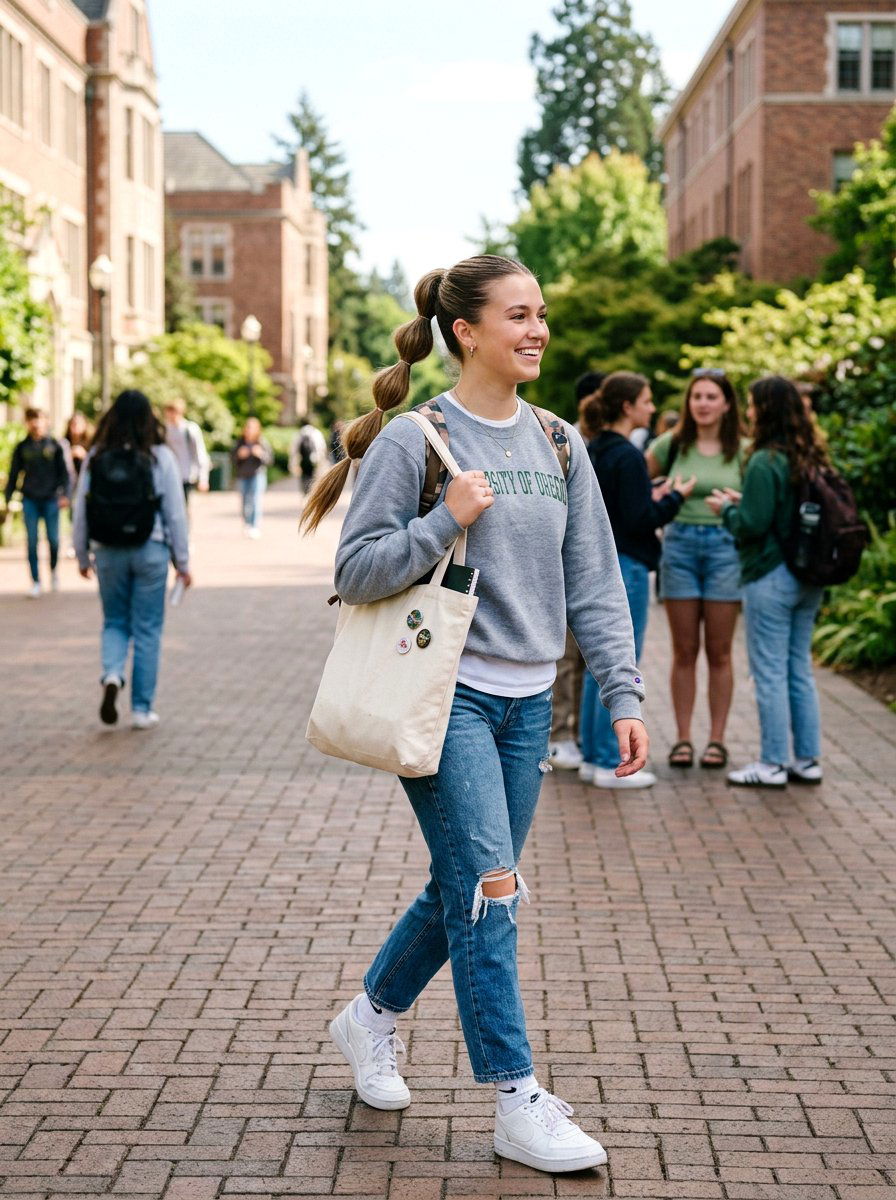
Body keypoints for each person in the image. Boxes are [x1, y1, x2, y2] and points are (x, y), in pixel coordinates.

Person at [302, 254, 648, 1174]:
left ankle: (369, 1016)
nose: (537, 330)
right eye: (519, 316)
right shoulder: (416, 441)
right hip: (446, 695)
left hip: (530, 707)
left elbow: (596, 583)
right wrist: (444, 521)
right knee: (492, 890)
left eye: (542, 314)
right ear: (467, 331)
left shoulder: (559, 441)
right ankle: (514, 1096)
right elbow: (356, 570)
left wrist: (623, 690)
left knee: (464, 881)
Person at [706, 376, 829, 788]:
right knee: (799, 668)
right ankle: (807, 759)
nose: (750, 411)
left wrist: (726, 510)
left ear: (767, 409)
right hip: (807, 575)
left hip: (770, 576)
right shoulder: (809, 455)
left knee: (769, 671)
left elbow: (752, 525)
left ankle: (773, 762)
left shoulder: (764, 460)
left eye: (754, 404)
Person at [580, 372, 696, 788]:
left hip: (600, 560)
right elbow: (639, 518)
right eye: (646, 400)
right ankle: (614, 761)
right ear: (627, 406)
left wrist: (652, 495)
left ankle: (593, 755)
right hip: (627, 566)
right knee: (619, 663)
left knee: (597, 665)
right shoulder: (628, 454)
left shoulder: (594, 448)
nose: (652, 407)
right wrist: (676, 498)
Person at [72, 390, 190, 730]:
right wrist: (182, 563)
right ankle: (141, 709)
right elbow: (175, 514)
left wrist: (82, 553)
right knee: (147, 629)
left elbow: (81, 510)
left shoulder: (96, 455)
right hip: (150, 549)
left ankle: (111, 674)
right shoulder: (159, 456)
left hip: (107, 550)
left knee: (114, 622)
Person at [646, 370, 745, 770]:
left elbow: (760, 501)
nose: (702, 403)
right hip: (681, 546)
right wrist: (655, 496)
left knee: (720, 652)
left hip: (726, 548)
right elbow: (637, 478)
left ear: (725, 404)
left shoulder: (744, 449)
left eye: (711, 396)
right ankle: (684, 738)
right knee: (684, 650)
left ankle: (717, 740)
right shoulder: (672, 444)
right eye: (697, 397)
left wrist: (743, 499)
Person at [547, 369, 606, 770]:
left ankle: (580, 734)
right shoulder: (565, 439)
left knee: (584, 661)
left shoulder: (588, 443)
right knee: (567, 659)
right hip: (565, 565)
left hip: (587, 560)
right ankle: (559, 734)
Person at [2, 407, 71, 597]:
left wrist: (65, 494)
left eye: (39, 419)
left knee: (54, 540)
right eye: (32, 419)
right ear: (27, 422)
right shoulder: (22, 447)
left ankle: (54, 571)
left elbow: (64, 473)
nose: (36, 423)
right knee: (31, 542)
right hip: (30, 499)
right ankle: (36, 581)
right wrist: (8, 500)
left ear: (46, 421)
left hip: (51, 499)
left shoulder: (55, 445)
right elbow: (14, 473)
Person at [163, 399, 210, 508]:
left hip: (186, 475)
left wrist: (203, 478)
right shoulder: (165, 429)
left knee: (182, 507)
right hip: (170, 474)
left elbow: (200, 453)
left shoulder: (190, 429)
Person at [232, 417, 273, 538]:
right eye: (247, 427)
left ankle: (255, 526)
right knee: (244, 501)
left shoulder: (261, 442)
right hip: (242, 476)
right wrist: (239, 455)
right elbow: (232, 458)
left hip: (257, 475)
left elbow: (270, 460)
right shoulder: (240, 442)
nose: (249, 430)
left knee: (255, 500)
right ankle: (247, 524)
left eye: (252, 428)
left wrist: (260, 454)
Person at [289, 421, 328, 496]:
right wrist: (322, 461)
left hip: (303, 461)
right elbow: (322, 448)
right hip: (315, 460)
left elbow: (294, 450)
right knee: (314, 478)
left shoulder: (299, 434)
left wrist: (293, 464)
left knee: (304, 477)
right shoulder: (316, 433)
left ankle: (305, 492)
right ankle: (313, 493)